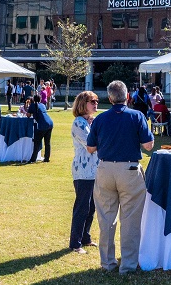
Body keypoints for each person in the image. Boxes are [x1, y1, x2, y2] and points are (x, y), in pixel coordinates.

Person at [86, 80, 154, 274]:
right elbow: (148, 145)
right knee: (130, 220)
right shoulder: (137, 116)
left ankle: (108, 263)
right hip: (130, 169)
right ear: (128, 96)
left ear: (110, 97)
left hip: (105, 168)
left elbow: (90, 148)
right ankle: (128, 265)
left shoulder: (100, 119)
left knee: (106, 219)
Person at [69, 91, 100, 254]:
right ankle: (75, 243)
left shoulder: (91, 122)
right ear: (83, 103)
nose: (95, 104)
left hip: (95, 170)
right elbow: (91, 146)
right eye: (92, 101)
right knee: (82, 206)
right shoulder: (79, 123)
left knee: (92, 206)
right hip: (83, 171)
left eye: (96, 101)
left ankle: (86, 237)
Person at [27, 93, 54, 163]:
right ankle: (47, 158)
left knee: (37, 142)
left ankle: (33, 159)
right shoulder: (42, 105)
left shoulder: (32, 105)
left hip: (42, 125)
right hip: (50, 123)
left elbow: (28, 115)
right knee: (47, 142)